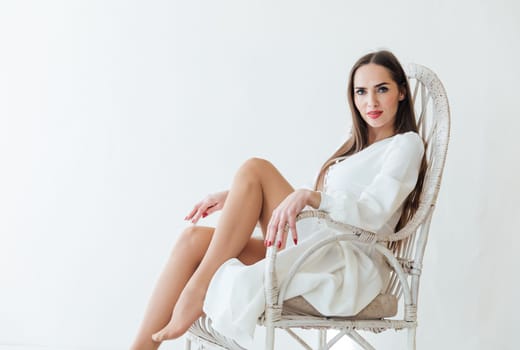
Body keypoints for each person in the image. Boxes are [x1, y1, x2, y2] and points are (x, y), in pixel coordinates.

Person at [130, 50, 426, 350]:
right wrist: (235, 197)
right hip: (317, 247)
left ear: (401, 92)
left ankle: (198, 288)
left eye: (382, 89)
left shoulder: (405, 145)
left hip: (346, 263)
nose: (370, 102)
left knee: (256, 168)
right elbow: (308, 200)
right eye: (361, 92)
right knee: (191, 238)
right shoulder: (353, 146)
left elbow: (374, 212)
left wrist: (312, 196)